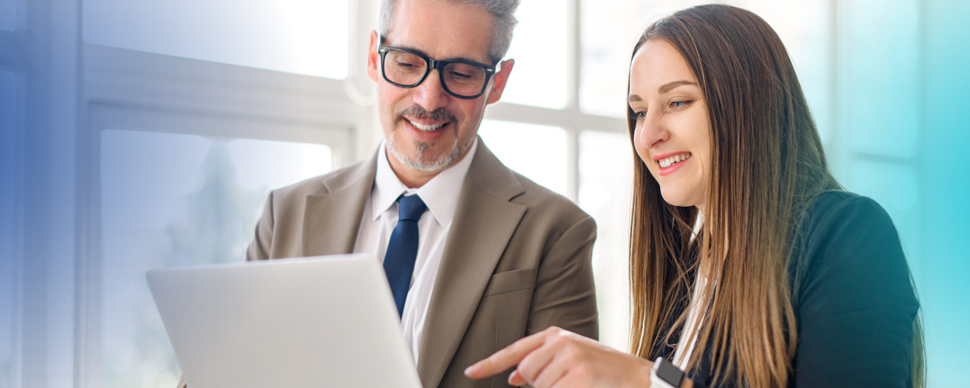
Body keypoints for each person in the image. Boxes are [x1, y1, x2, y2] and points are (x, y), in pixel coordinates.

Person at [465, 4, 923, 388]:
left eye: (678, 102)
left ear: (749, 103)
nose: (648, 135)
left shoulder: (847, 235)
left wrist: (647, 382)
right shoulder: (691, 272)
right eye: (639, 112)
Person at [175, 0, 598, 387]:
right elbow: (216, 372)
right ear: (374, 56)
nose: (429, 98)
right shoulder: (286, 213)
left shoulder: (557, 231)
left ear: (498, 82)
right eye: (408, 63)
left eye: (462, 73)